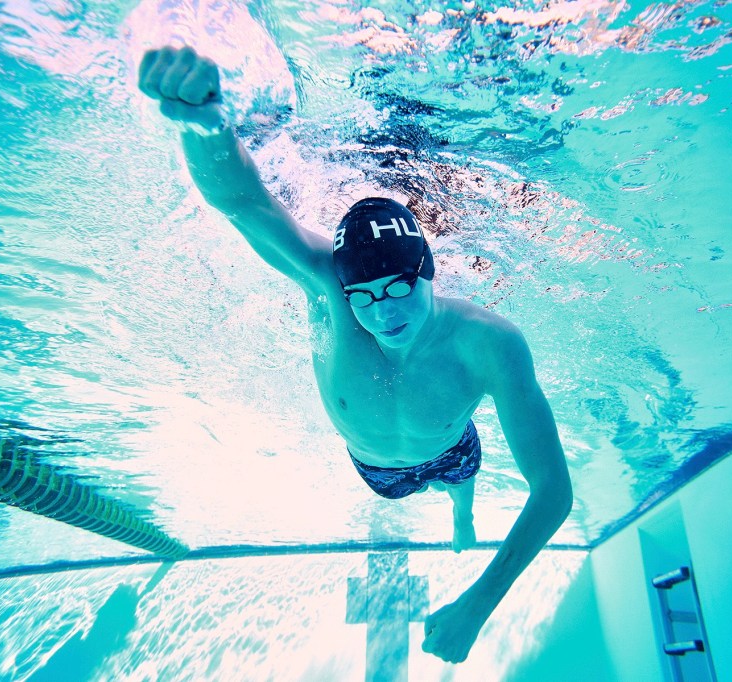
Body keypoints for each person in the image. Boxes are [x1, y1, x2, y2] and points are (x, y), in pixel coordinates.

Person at [137, 46, 573, 664]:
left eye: (399, 288)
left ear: (428, 271)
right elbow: (245, 203)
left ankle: (460, 516)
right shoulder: (328, 290)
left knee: (460, 486)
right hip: (375, 468)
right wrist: (204, 124)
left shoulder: (490, 343)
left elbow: (552, 490)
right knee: (397, 487)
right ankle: (448, 504)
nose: (383, 313)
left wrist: (476, 606)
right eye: (364, 296)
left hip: (453, 449)